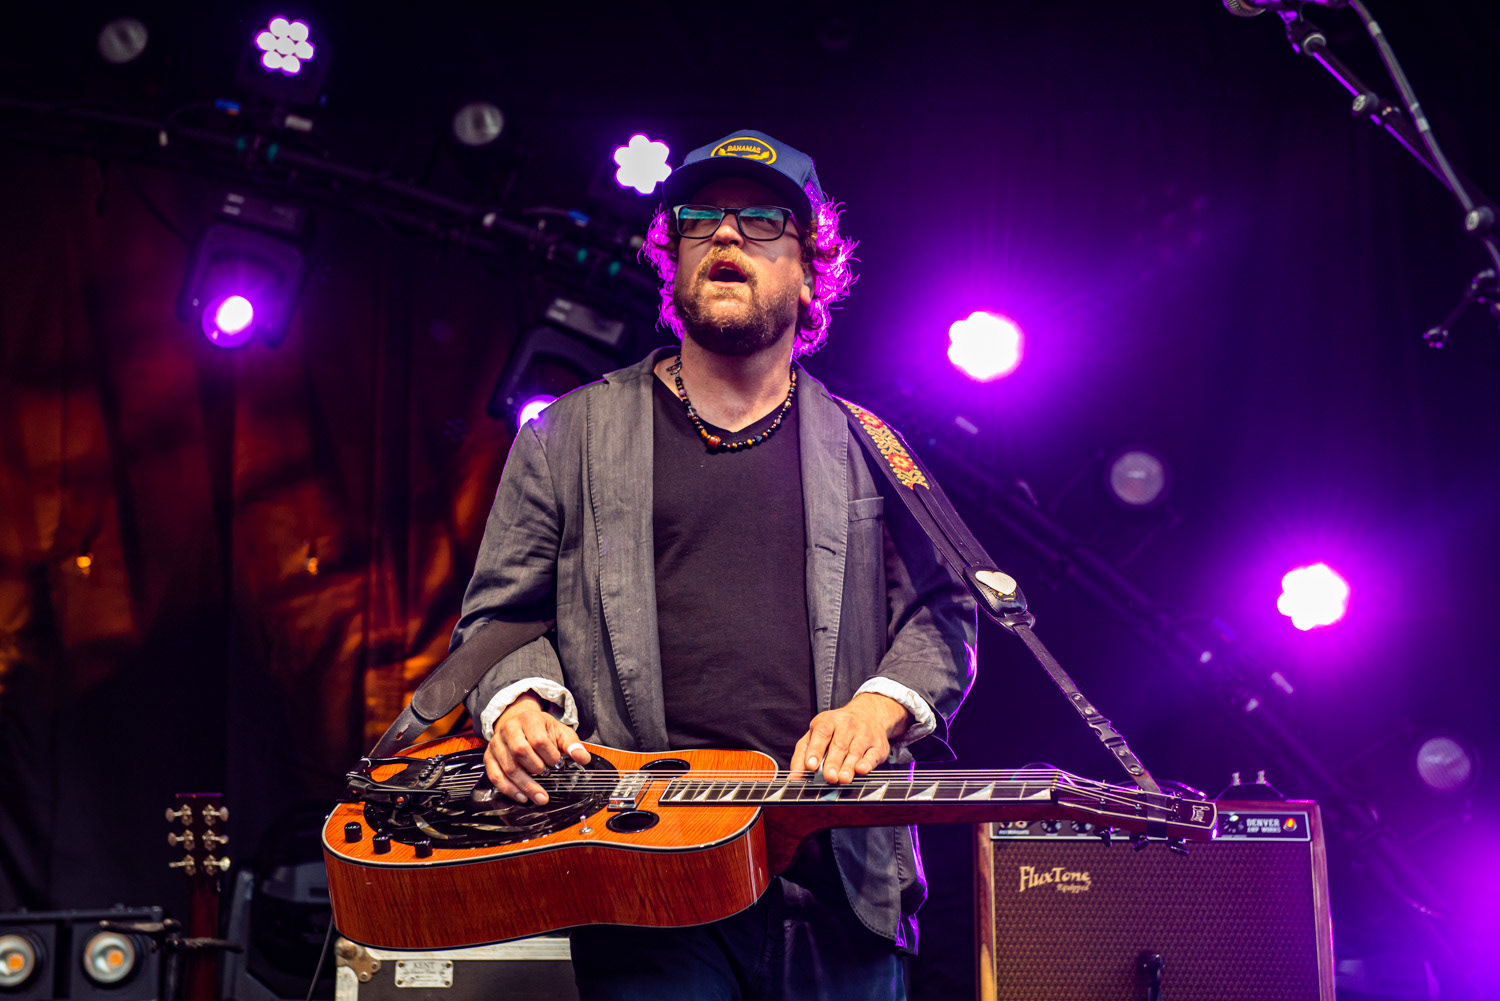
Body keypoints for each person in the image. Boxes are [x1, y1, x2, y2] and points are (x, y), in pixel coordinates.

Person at [452, 129, 977, 1000]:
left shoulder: (872, 444)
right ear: (674, 258)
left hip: (838, 881)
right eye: (700, 218)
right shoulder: (566, 436)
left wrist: (878, 707)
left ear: (811, 272)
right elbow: (500, 620)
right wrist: (521, 702)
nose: (726, 233)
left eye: (763, 221)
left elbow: (943, 613)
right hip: (643, 883)